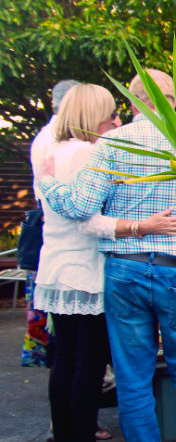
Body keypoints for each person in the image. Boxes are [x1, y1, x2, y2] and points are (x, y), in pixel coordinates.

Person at [37, 68, 176, 442]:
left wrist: (47, 181)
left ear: (133, 103)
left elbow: (80, 204)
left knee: (132, 375)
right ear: (173, 102)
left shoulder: (111, 143)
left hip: (123, 270)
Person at [23, 79, 80, 368]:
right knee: (66, 337)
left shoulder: (47, 136)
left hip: (53, 234)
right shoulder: (58, 140)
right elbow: (74, 204)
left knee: (62, 332)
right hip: (64, 237)